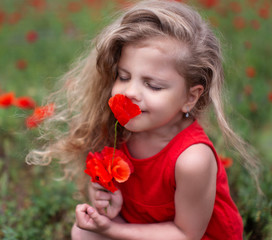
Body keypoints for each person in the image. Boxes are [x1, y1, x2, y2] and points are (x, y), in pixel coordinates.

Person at [26, 0, 260, 239]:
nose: (130, 92)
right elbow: (108, 191)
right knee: (83, 233)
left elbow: (186, 234)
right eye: (123, 76)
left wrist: (112, 228)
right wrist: (104, 197)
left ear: (190, 97)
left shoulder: (192, 160)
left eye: (153, 85)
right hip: (138, 227)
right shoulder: (117, 128)